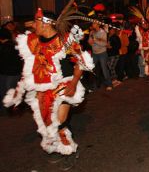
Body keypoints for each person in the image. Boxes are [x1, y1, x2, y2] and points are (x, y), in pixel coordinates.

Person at [3, 9, 94, 169]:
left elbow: (81, 61)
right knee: (48, 122)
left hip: (64, 85)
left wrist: (73, 84)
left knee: (59, 121)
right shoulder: (34, 42)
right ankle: (57, 146)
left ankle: (70, 151)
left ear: (46, 23)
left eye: (36, 21)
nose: (33, 25)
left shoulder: (65, 41)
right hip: (44, 87)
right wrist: (19, 92)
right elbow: (30, 67)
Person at [89, 22, 112, 90]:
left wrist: (95, 40)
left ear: (98, 24)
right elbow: (90, 42)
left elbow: (104, 43)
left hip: (102, 53)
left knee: (104, 69)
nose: (93, 25)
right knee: (92, 69)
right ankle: (94, 85)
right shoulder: (91, 32)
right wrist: (90, 40)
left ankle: (109, 84)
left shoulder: (102, 32)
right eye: (92, 23)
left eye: (94, 23)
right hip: (94, 53)